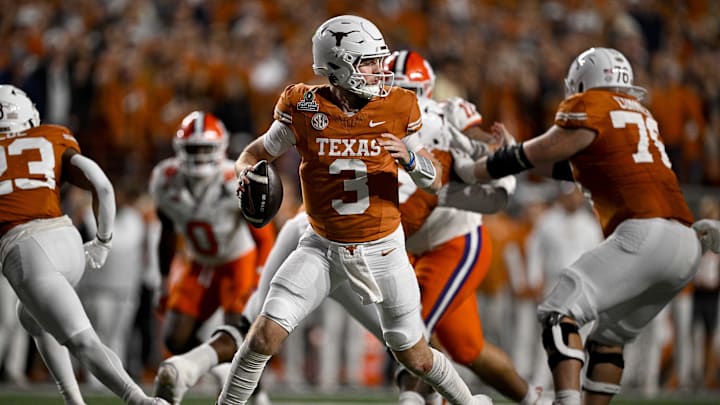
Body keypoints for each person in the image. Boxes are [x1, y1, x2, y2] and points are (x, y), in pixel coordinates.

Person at [217, 15, 492, 405]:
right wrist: (244, 175)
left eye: (379, 61)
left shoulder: (400, 106)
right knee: (263, 335)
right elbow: (254, 153)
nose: (381, 71)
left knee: (412, 353)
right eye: (367, 62)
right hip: (321, 246)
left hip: (384, 250)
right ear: (335, 66)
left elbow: (434, 180)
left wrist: (412, 160)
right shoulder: (303, 105)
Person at [459, 47, 701, 405]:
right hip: (686, 243)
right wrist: (518, 152)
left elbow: (539, 152)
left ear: (582, 84)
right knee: (608, 338)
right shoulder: (640, 114)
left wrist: (477, 169)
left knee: (558, 311)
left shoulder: (591, 105)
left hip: (643, 232)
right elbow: (557, 163)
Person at [384, 49, 545, 405]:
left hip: (454, 242)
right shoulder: (367, 123)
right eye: (386, 87)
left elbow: (484, 147)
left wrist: (493, 153)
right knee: (466, 347)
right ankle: (535, 400)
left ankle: (415, 401)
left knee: (413, 333)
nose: (392, 97)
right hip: (415, 248)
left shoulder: (444, 117)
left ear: (425, 92)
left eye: (403, 90)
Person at [0, 84, 168, 405]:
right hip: (68, 240)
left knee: (83, 341)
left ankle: (140, 401)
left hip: (25, 250)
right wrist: (103, 240)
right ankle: (73, 400)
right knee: (32, 318)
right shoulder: (50, 136)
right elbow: (102, 186)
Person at [148, 111, 274, 404]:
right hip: (199, 261)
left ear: (220, 149)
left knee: (238, 331)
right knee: (175, 338)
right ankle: (220, 374)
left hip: (237, 260)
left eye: (205, 148)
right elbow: (167, 232)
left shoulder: (236, 179)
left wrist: (259, 275)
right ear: (180, 150)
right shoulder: (165, 180)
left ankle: (252, 390)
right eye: (193, 149)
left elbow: (263, 235)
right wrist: (164, 279)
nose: (200, 155)